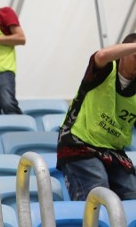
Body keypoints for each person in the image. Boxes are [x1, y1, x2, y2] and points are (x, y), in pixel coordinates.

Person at [57, 33, 136, 201]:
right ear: (123, 54)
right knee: (99, 192)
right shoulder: (105, 69)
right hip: (79, 143)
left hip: (113, 151)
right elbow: (101, 55)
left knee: (132, 194)